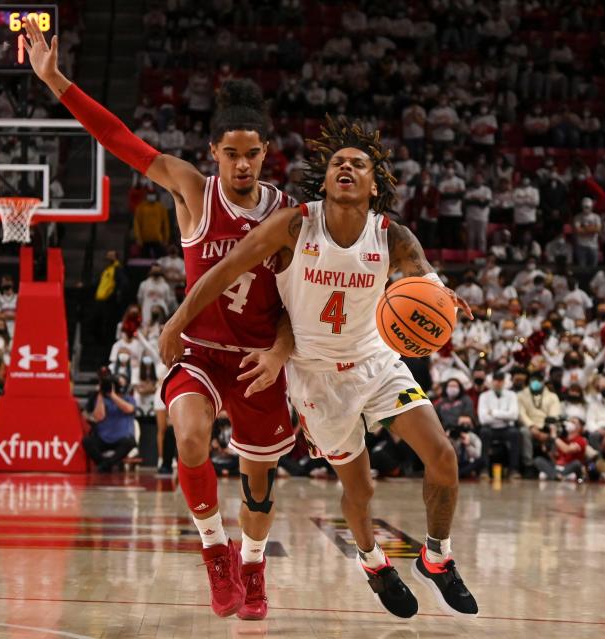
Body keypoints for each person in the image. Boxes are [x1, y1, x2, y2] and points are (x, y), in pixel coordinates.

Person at [26, 18, 298, 621]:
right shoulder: (191, 190)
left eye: (253, 153)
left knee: (259, 485)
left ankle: (253, 565)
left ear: (266, 153)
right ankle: (215, 556)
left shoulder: (288, 213)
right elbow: (118, 138)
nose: (243, 164)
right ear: (214, 153)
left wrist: (281, 352)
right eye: (231, 153)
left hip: (258, 357)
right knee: (190, 436)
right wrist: (56, 81)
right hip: (198, 349)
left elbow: (293, 309)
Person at [159, 116, 478, 618]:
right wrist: (177, 321)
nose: (345, 167)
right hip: (317, 377)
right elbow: (223, 268)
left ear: (376, 183)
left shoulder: (392, 236)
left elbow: (423, 279)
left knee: (443, 457)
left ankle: (436, 556)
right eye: (337, 163)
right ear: (325, 179)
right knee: (361, 489)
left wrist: (441, 297)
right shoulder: (294, 224)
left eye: (358, 164)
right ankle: (373, 563)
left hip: (376, 363)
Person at [83, 372, 138, 472]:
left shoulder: (128, 398)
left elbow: (128, 409)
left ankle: (105, 465)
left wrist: (112, 395)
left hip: (122, 439)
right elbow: (99, 417)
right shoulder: (101, 399)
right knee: (87, 441)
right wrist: (100, 394)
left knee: (130, 442)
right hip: (103, 438)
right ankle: (105, 464)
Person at [477, 372, 521, 476]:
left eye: (500, 380)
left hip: (506, 428)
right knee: (484, 433)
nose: (498, 383)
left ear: (504, 382)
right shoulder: (484, 396)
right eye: (496, 380)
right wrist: (505, 416)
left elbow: (514, 416)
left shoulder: (512, 395)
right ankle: (484, 469)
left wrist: (493, 413)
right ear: (492, 381)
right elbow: (483, 419)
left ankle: (513, 469)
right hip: (490, 428)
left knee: (515, 434)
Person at [533, 417, 587, 481]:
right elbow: (554, 457)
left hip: (569, 467)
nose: (570, 423)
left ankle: (554, 475)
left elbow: (566, 450)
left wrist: (554, 437)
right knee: (538, 460)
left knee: (577, 463)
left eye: (573, 422)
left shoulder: (581, 440)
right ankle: (557, 476)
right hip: (557, 467)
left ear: (580, 427)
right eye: (569, 421)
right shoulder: (562, 438)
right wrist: (548, 448)